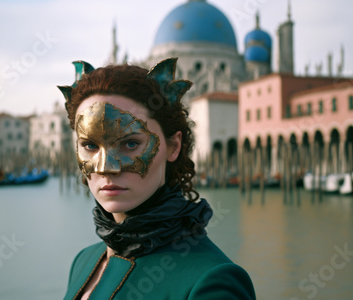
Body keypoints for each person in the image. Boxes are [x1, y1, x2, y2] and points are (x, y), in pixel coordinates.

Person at [59, 58, 256, 299]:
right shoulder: (83, 262)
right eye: (89, 145)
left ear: (173, 146)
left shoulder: (212, 281)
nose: (105, 168)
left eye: (130, 144)